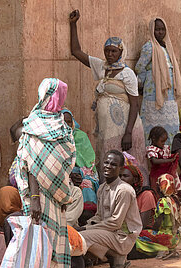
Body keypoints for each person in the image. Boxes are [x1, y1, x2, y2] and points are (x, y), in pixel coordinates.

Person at [16, 78, 75, 268]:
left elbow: (66, 160)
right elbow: (29, 165)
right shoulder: (33, 125)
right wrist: (35, 198)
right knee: (39, 248)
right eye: (60, 95)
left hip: (55, 195)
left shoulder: (61, 124)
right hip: (39, 196)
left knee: (50, 245)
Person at [69, 10, 147, 177]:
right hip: (107, 129)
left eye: (114, 51)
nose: (110, 55)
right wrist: (73, 24)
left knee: (124, 165)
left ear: (121, 52)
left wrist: (128, 133)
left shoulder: (127, 74)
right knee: (108, 161)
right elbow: (76, 52)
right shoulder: (101, 67)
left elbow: (134, 104)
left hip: (124, 129)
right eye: (107, 51)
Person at [79, 150, 142, 268]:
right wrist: (85, 226)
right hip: (110, 233)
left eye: (113, 164)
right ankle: (116, 258)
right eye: (106, 162)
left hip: (122, 237)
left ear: (120, 168)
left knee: (81, 237)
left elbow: (115, 223)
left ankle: (118, 257)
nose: (108, 166)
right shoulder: (102, 188)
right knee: (76, 233)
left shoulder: (124, 190)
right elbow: (99, 216)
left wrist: (85, 229)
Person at [135, 17, 181, 143]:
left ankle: (169, 155)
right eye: (157, 30)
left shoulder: (167, 47)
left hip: (169, 94)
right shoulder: (149, 47)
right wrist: (145, 82)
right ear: (152, 30)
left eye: (162, 29)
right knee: (153, 126)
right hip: (154, 93)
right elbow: (140, 67)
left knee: (171, 126)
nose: (160, 32)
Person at [133, 174, 181, 259]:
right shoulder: (175, 200)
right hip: (176, 236)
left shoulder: (163, 202)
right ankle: (171, 249)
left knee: (138, 236)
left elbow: (159, 221)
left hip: (166, 236)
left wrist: (153, 229)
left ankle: (161, 248)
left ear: (160, 187)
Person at [61, 108, 99, 214]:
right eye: (63, 121)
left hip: (82, 173)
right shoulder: (54, 138)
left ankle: (87, 214)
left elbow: (89, 162)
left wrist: (82, 174)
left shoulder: (81, 136)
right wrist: (70, 173)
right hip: (63, 173)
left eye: (69, 121)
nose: (66, 125)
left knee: (87, 183)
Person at [119, 163, 157, 229]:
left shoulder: (146, 195)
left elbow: (142, 225)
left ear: (135, 179)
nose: (122, 179)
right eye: (120, 176)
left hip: (142, 232)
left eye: (125, 176)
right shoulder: (123, 195)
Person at [146, 126, 181, 193]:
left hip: (166, 174)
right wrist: (170, 160)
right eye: (162, 141)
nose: (163, 143)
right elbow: (155, 161)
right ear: (154, 139)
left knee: (168, 190)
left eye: (164, 141)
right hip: (156, 176)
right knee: (158, 191)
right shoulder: (151, 149)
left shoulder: (165, 148)